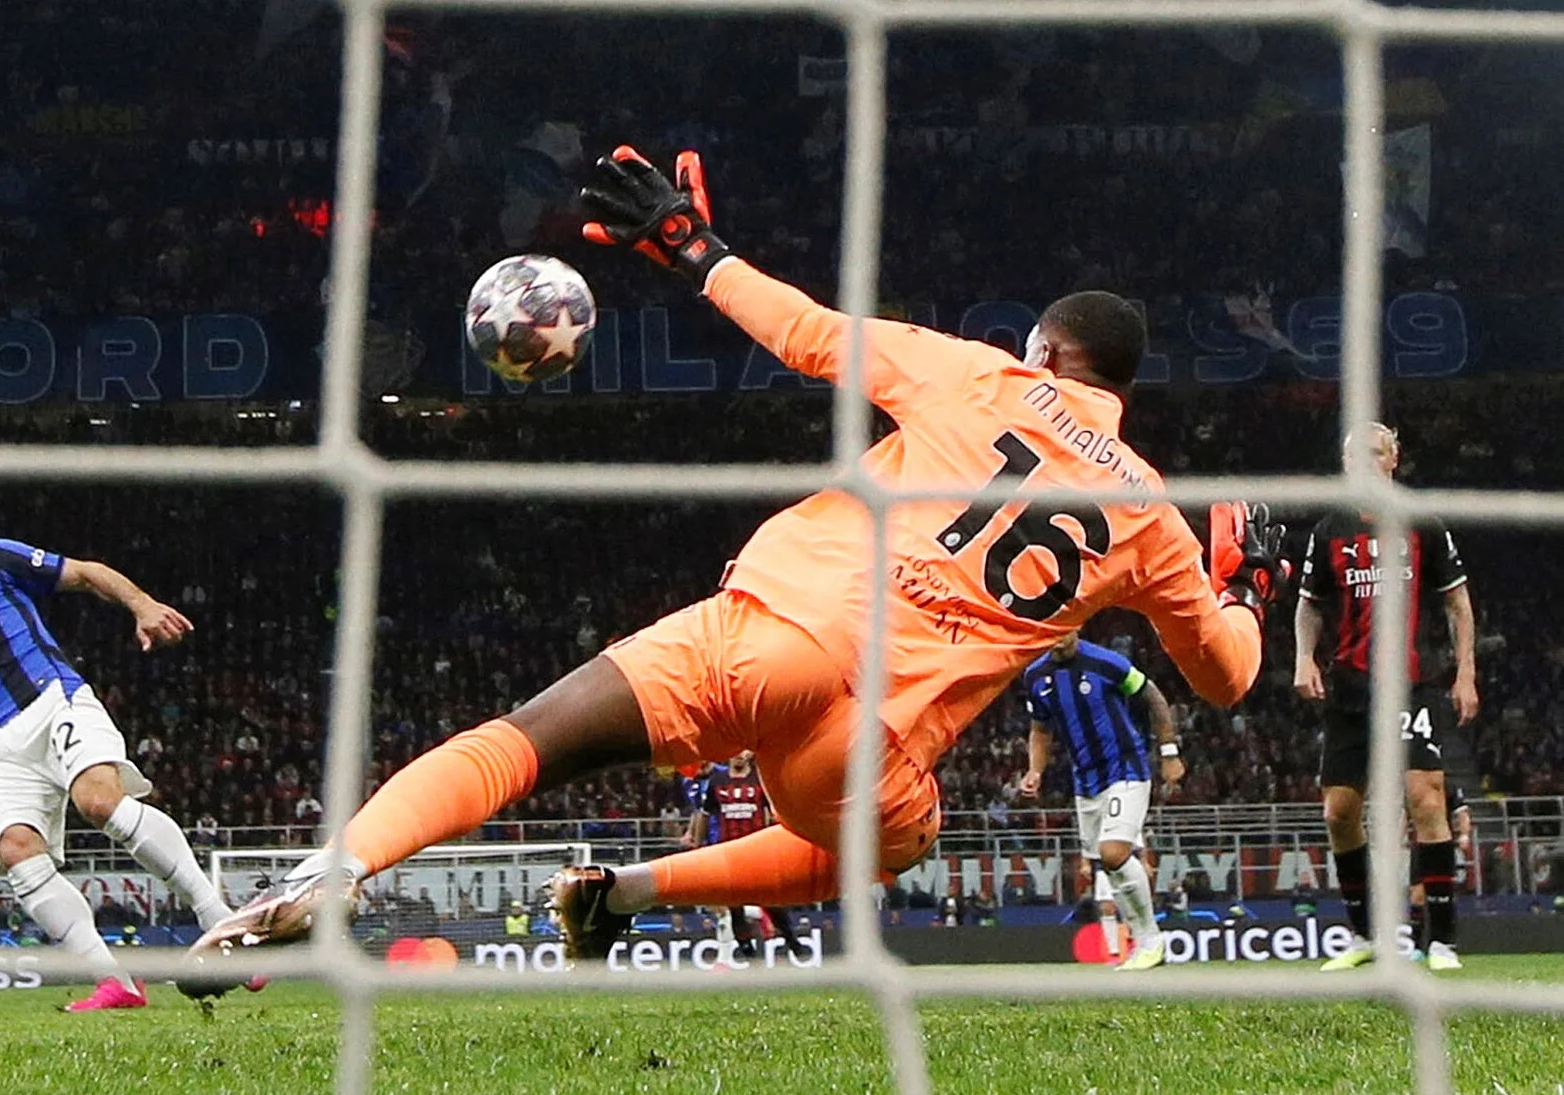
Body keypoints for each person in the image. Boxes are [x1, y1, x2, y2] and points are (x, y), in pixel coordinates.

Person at [193, 147, 1281, 960]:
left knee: (522, 742)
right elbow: (1225, 678)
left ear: (1043, 349)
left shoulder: (980, 374)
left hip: (781, 626)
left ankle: (333, 870)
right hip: (867, 745)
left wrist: (690, 247)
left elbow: (803, 331)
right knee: (891, 845)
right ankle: (625, 895)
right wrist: (1246, 591)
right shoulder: (1150, 515)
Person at [0, 487, 254, 1011]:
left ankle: (220, 919)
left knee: (100, 801)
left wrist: (141, 604)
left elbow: (85, 573)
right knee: (17, 852)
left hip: (53, 699)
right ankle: (115, 982)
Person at [1294, 424, 1478, 972]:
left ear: (1394, 459)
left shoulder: (1421, 522)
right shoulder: (1330, 529)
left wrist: (1466, 672)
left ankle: (1441, 941)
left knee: (1426, 798)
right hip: (1350, 686)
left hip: (1408, 683)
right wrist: (1303, 657)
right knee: (1339, 813)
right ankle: (1364, 936)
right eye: (1353, 456)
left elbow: (1458, 603)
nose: (1363, 464)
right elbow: (1309, 604)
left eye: (1373, 454)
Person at [1017, 632, 1184, 970]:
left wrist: (1168, 752)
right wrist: (1035, 770)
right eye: (1052, 628)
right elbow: (1040, 730)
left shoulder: (1106, 662)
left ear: (1077, 625)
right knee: (1107, 865)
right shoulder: (1035, 676)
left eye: (1065, 626)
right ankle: (1142, 944)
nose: (1058, 636)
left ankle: (1152, 940)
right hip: (1085, 782)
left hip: (1126, 769)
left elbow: (1152, 695)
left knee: (1113, 852)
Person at [685, 751, 796, 956]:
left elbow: (775, 813)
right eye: (734, 752)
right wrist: (698, 847)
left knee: (770, 901)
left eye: (743, 750)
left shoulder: (759, 779)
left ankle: (791, 939)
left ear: (749, 754)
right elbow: (705, 814)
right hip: (729, 852)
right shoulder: (717, 781)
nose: (738, 755)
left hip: (757, 850)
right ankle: (746, 949)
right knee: (735, 906)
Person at [1408, 784, 1473, 961]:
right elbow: (1404, 815)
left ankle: (1442, 942)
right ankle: (1416, 947)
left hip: (1442, 843)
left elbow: (1462, 813)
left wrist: (1464, 834)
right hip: (1419, 845)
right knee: (1417, 897)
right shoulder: (1414, 784)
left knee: (1441, 894)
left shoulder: (1449, 786)